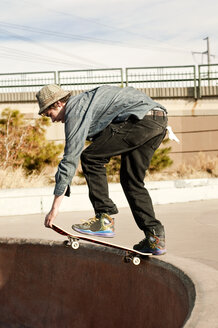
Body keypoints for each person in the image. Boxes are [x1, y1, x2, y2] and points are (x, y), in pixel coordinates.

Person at [36, 84, 168, 255]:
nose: (53, 120)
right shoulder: (90, 103)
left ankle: (104, 218)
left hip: (139, 119)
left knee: (90, 158)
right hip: (158, 120)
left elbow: (70, 159)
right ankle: (154, 238)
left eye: (50, 114)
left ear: (59, 104)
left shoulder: (75, 109)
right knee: (131, 181)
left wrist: (55, 207)